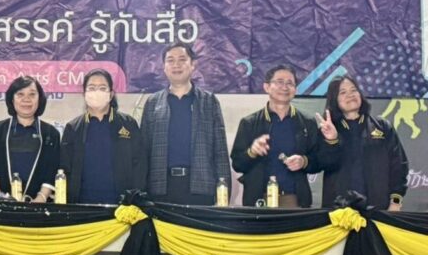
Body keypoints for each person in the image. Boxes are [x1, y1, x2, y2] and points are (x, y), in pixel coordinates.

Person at [231, 64, 341, 208]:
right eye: (279, 82)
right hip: (258, 200)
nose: (284, 87)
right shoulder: (249, 123)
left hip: (294, 199)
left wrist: (303, 161)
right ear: (266, 87)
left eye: (290, 83)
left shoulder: (307, 122)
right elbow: (237, 164)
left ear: (296, 90)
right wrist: (252, 152)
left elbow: (319, 161)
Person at [142, 42, 231, 205]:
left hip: (200, 188)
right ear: (164, 67)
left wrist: (224, 192)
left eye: (182, 59)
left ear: (192, 65)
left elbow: (220, 152)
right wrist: (142, 192)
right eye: (170, 60)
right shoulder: (153, 103)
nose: (176, 65)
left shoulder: (209, 101)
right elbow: (144, 151)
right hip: (161, 189)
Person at [322, 75, 409, 210]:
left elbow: (399, 166)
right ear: (334, 99)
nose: (350, 95)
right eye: (343, 92)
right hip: (338, 212)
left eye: (354, 90)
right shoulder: (328, 130)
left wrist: (396, 201)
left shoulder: (382, 127)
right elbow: (319, 162)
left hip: (378, 209)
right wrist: (331, 140)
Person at [60, 69, 147, 204]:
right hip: (82, 205)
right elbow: (65, 169)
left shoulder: (128, 124)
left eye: (102, 88)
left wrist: (133, 199)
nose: (97, 92)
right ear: (84, 94)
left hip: (122, 206)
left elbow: (140, 165)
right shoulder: (73, 128)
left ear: (111, 94)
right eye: (91, 88)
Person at [0, 76, 60, 202]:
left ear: (40, 99)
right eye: (20, 94)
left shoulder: (51, 133)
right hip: (1, 204)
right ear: (12, 99)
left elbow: (52, 170)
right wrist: (0, 198)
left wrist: (41, 198)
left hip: (40, 205)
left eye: (32, 94)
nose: (26, 99)